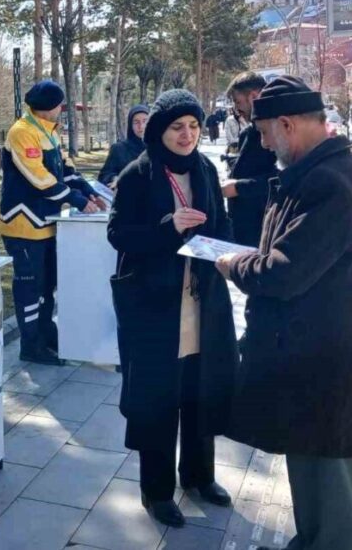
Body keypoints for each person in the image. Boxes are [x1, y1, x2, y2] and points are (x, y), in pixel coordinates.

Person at [216, 76, 352, 550]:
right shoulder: (312, 172)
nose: (265, 143)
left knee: (330, 484)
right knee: (308, 464)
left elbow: (283, 272)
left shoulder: (330, 183)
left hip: (325, 363)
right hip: (305, 359)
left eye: (266, 133)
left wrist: (233, 265)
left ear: (288, 125)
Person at [107, 89, 238, 528]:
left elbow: (221, 223)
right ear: (160, 131)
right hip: (155, 307)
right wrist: (169, 227)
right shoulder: (136, 175)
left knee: (200, 392)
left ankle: (200, 476)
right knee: (159, 398)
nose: (187, 135)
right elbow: (119, 236)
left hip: (202, 300)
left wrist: (227, 250)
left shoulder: (204, 168)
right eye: (177, 127)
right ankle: (157, 491)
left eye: (194, 127)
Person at [0, 80, 106, 365]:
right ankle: (30, 346)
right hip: (23, 225)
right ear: (49, 107)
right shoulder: (22, 132)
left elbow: (66, 170)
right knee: (30, 289)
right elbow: (41, 179)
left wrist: (89, 191)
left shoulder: (49, 132)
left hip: (47, 224)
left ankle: (46, 336)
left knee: (48, 287)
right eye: (59, 104)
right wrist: (79, 201)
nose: (61, 109)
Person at [220, 72, 279, 246]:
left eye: (238, 102)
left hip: (264, 233)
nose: (237, 110)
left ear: (254, 97)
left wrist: (239, 187)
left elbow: (282, 178)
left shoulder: (278, 133)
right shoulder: (248, 133)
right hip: (244, 233)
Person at [98, 104, 149, 187]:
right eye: (136, 122)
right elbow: (104, 175)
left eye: (145, 121)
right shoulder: (118, 149)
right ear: (130, 125)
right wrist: (115, 178)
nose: (141, 126)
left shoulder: (159, 148)